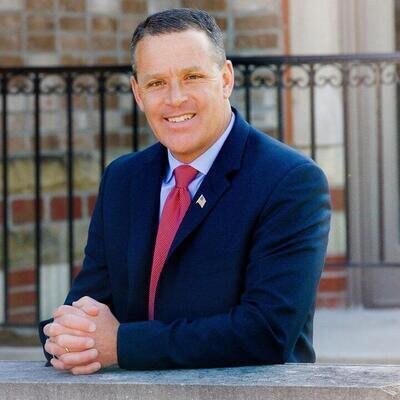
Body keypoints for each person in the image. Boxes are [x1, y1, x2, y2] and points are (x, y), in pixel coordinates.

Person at [39, 8, 331, 375]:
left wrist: (122, 344)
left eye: (192, 77)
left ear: (225, 79)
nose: (175, 98)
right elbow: (88, 305)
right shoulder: (123, 179)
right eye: (156, 83)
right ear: (138, 93)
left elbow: (268, 332)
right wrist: (66, 336)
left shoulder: (289, 181)